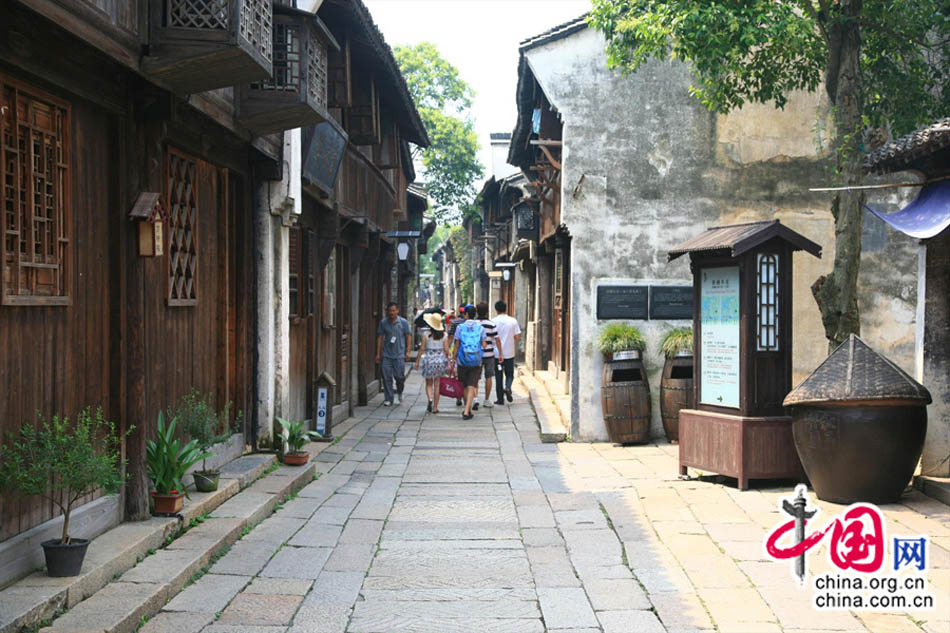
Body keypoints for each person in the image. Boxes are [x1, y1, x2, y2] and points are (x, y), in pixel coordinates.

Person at [451, 305, 486, 420]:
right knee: (472, 385)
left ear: (465, 314)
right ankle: (468, 410)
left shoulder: (460, 327)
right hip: (476, 360)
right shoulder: (480, 327)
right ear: (475, 314)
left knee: (465, 385)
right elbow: (484, 345)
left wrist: (453, 359)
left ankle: (467, 409)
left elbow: (456, 344)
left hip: (462, 360)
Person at [375, 302, 412, 406]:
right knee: (386, 377)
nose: (391, 313)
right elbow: (380, 338)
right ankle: (388, 398)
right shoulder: (383, 323)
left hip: (399, 354)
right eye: (390, 311)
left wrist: (408, 351)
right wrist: (378, 354)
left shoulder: (403, 322)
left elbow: (408, 335)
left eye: (393, 310)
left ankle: (400, 391)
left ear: (397, 310)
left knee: (399, 377)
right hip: (387, 354)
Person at [415, 312, 450, 413]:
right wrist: (448, 360)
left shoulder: (426, 335)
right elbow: (447, 350)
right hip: (440, 361)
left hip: (428, 360)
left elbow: (421, 349)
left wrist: (417, 362)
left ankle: (429, 399)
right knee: (437, 384)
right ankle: (435, 407)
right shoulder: (444, 335)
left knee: (429, 383)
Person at [493, 300, 521, 404]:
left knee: (498, 375)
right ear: (506, 308)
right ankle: (508, 387)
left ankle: (500, 399)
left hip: (497, 355)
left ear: (496, 310)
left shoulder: (493, 321)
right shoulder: (513, 321)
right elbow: (517, 337)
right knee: (509, 374)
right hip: (509, 353)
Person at [474, 301, 500, 410]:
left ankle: (475, 399)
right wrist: (501, 353)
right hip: (489, 354)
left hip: (476, 354)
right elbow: (497, 340)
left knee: (475, 377)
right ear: (487, 312)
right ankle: (486, 399)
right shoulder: (491, 324)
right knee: (488, 376)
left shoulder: (474, 324)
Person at [448, 304, 466, 406]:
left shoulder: (455, 322)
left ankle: (459, 397)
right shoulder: (473, 323)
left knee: (459, 376)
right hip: (470, 353)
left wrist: (449, 352)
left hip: (458, 352)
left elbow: (451, 337)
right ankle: (471, 399)